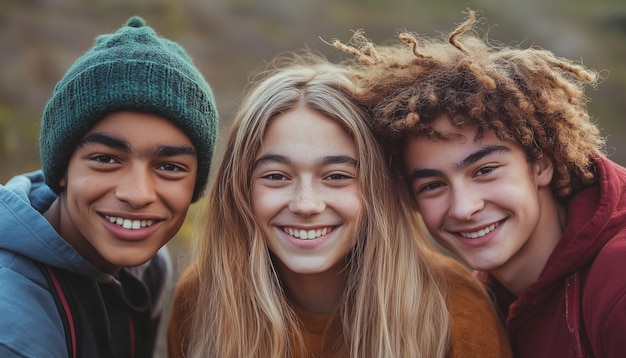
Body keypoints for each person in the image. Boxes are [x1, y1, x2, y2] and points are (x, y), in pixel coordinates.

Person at [167, 52, 511, 358]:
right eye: (276, 176)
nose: (306, 204)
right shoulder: (203, 298)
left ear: (377, 189)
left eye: (336, 176)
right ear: (240, 190)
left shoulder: (453, 308)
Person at [334, 10, 626, 357]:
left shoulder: (617, 281)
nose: (464, 207)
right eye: (432, 186)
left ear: (541, 164)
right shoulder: (477, 300)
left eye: (485, 170)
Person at [0, 16, 218, 357]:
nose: (137, 194)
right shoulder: (12, 325)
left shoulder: (147, 267)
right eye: (106, 159)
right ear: (62, 170)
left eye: (170, 167)